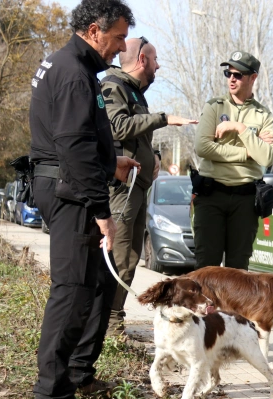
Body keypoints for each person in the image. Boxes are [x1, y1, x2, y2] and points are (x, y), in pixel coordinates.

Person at [28, 0, 140, 399]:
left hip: (67, 184)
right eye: (118, 37)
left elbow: (73, 139)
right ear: (95, 31)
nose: (122, 46)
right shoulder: (75, 73)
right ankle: (51, 396)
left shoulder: (68, 66)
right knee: (72, 290)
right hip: (70, 193)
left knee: (94, 286)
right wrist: (101, 211)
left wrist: (111, 162)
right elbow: (73, 146)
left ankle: (77, 374)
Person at [101, 37, 197, 336]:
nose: (158, 65)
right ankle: (106, 325)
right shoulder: (113, 86)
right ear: (142, 59)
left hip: (138, 187)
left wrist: (152, 155)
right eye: (155, 59)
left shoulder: (133, 91)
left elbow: (136, 135)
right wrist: (163, 119)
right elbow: (117, 126)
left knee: (130, 257)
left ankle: (113, 322)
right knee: (119, 256)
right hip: (122, 189)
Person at [192, 51, 273, 270]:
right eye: (228, 73)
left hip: (245, 199)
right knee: (206, 268)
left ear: (253, 78)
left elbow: (267, 156)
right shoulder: (214, 106)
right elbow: (202, 148)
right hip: (211, 194)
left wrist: (239, 128)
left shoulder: (263, 115)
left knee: (238, 271)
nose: (231, 79)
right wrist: (248, 152)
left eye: (238, 75)